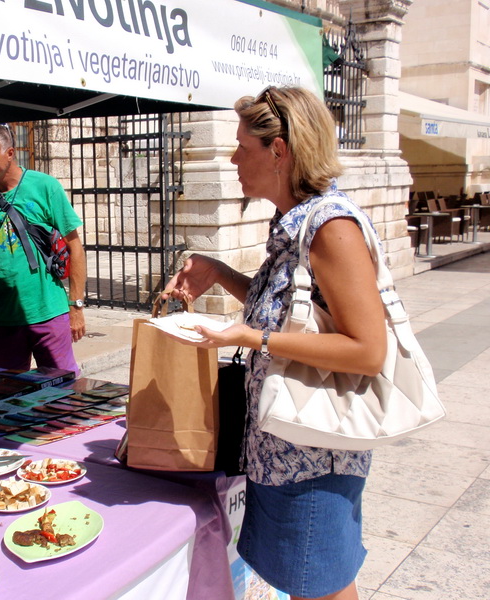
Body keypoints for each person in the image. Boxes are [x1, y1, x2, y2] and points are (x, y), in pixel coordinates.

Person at [163, 86, 386, 600]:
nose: (234, 158)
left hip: (313, 454)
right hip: (283, 447)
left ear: (279, 151)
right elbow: (292, 314)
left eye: (243, 147)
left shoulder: (331, 228)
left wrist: (250, 337)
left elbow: (367, 349)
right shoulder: (296, 224)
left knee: (322, 588)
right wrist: (219, 273)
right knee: (315, 584)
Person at [0, 124, 86, 375]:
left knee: (62, 394)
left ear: (10, 153)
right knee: (3, 398)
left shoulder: (44, 186)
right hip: (0, 320)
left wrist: (76, 306)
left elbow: (75, 248)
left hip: (48, 313)